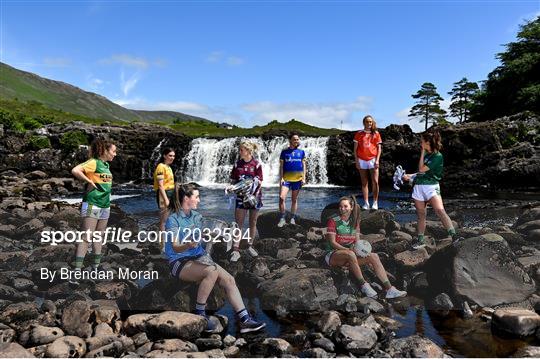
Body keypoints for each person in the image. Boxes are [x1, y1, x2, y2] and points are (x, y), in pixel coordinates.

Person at [164, 183, 266, 333]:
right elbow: (175, 246)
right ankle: (201, 316)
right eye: (197, 197)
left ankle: (245, 320)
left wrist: (217, 235)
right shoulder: (173, 220)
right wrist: (188, 245)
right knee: (211, 271)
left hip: (198, 258)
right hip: (179, 262)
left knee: (229, 279)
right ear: (186, 199)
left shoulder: (197, 217)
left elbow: (203, 236)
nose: (199, 200)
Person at [325, 196, 407, 299]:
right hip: (333, 255)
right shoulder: (333, 221)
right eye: (340, 206)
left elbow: (357, 242)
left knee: (374, 256)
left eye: (345, 206)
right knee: (350, 254)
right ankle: (364, 285)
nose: (342, 209)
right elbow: (332, 242)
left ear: (351, 207)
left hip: (350, 258)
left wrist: (362, 251)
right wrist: (349, 250)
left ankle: (390, 289)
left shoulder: (355, 222)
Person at [404, 130, 462, 249]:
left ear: (427, 142)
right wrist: (409, 175)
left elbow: (421, 169)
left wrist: (421, 153)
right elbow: (420, 173)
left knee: (440, 211)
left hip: (431, 187)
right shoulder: (427, 154)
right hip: (419, 187)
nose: (420, 143)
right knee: (421, 215)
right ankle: (420, 240)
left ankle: (454, 236)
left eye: (422, 141)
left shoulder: (437, 156)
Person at [70, 138, 116, 281]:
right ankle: (77, 271)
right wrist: (88, 181)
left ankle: (95, 268)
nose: (115, 154)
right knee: (86, 237)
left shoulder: (106, 165)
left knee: (99, 237)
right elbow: (76, 170)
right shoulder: (94, 162)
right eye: (113, 151)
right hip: (92, 204)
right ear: (105, 151)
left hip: (104, 205)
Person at [228, 140, 262, 262]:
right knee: (238, 224)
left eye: (241, 150)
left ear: (248, 151)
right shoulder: (237, 165)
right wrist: (230, 187)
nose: (239, 152)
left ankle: (249, 246)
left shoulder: (257, 165)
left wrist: (254, 193)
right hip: (240, 198)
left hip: (254, 197)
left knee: (253, 222)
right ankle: (235, 250)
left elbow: (259, 182)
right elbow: (233, 181)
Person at [353, 115, 382, 210]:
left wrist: (377, 160)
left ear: (372, 123)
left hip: (373, 159)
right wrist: (357, 161)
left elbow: (379, 148)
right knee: (364, 182)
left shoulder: (376, 133)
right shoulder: (359, 134)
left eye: (370, 122)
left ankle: (375, 202)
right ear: (364, 123)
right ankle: (366, 203)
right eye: (367, 122)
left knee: (375, 181)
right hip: (361, 160)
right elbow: (355, 149)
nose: (369, 123)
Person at [277, 133, 306, 227]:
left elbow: (304, 166)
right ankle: (282, 218)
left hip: (297, 179)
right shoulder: (284, 152)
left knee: (294, 199)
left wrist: (304, 178)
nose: (296, 141)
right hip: (286, 179)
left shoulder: (301, 152)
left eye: (298, 139)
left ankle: (292, 218)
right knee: (281, 198)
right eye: (294, 139)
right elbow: (281, 167)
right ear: (290, 140)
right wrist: (281, 178)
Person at [153, 147, 175, 248]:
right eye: (170, 155)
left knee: (169, 219)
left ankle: (167, 241)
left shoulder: (168, 167)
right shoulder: (161, 167)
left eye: (173, 156)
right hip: (163, 194)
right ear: (164, 156)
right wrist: (166, 199)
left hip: (170, 193)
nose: (172, 158)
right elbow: (161, 185)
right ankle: (162, 243)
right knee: (164, 220)